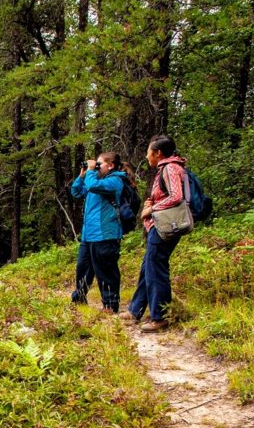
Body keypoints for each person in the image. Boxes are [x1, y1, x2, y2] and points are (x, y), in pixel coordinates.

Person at [121, 135, 187, 332]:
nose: (147, 156)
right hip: (159, 226)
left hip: (166, 226)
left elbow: (177, 196)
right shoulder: (167, 168)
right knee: (148, 266)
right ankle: (135, 310)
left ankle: (160, 316)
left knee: (156, 269)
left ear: (158, 153)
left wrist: (152, 209)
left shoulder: (170, 168)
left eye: (149, 152)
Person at [70, 152, 126, 313]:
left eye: (99, 164)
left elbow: (93, 186)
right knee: (83, 268)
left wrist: (91, 171)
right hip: (89, 235)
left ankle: (110, 304)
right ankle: (79, 299)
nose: (96, 167)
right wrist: (82, 175)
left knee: (105, 270)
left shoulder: (115, 181)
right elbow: (76, 192)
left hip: (106, 233)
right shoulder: (94, 180)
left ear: (111, 166)